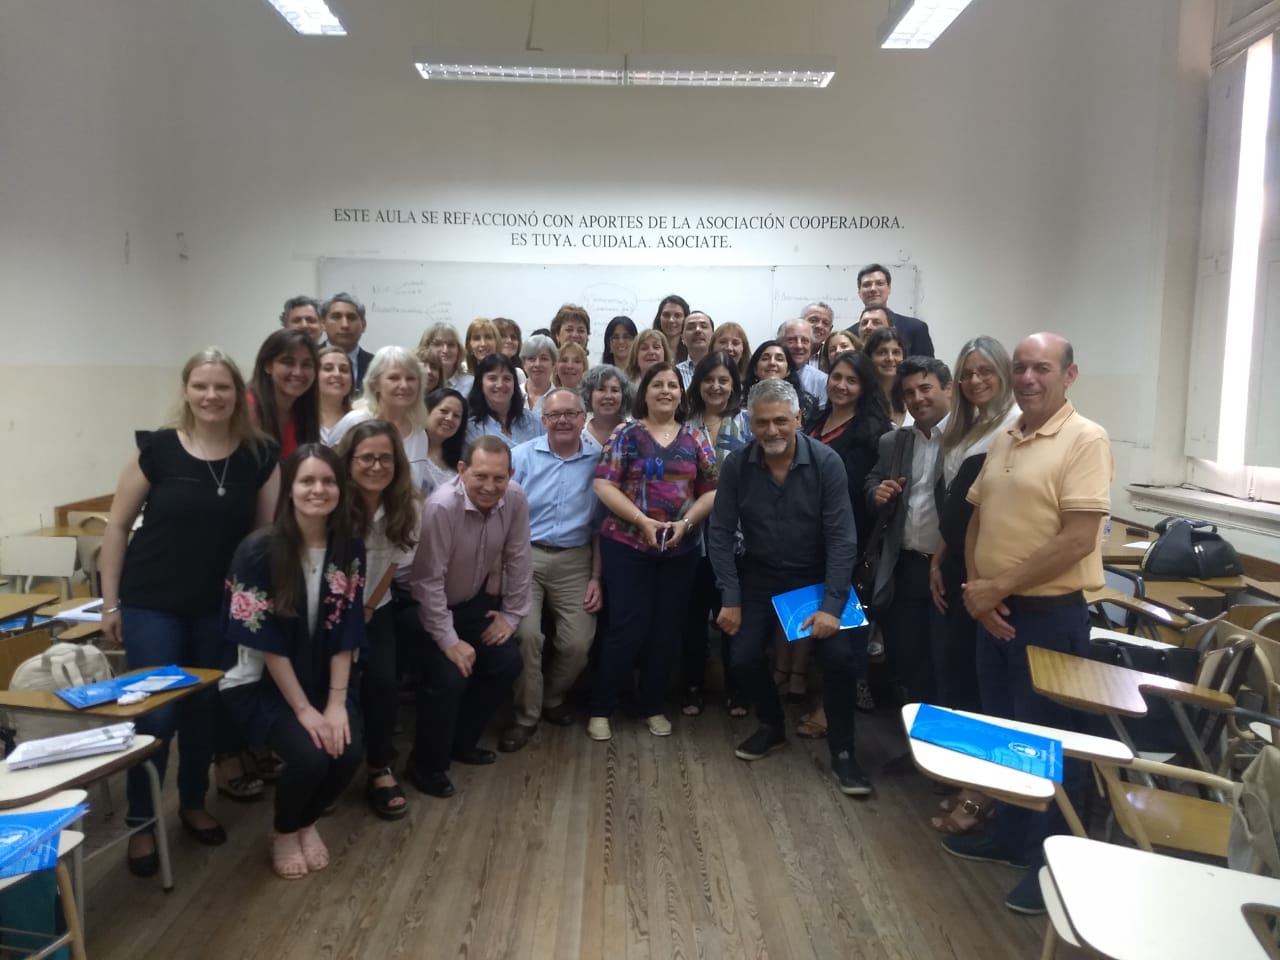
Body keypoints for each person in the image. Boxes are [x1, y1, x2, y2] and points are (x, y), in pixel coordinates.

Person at [943, 333, 1112, 916]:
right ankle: (1011, 837)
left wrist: (997, 588)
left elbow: (1078, 538)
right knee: (1004, 731)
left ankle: (1051, 866)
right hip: (994, 612)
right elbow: (977, 520)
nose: (1028, 378)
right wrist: (978, 592)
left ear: (1069, 375)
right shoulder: (1006, 436)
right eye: (1021, 367)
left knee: (1048, 742)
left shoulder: (1086, 439)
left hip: (1048, 617)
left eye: (1042, 367)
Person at [99, 348, 280, 876]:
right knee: (156, 713)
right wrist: (110, 603)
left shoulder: (260, 456)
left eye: (222, 387)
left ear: (237, 394)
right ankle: (141, 822)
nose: (211, 396)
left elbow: (262, 541)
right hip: (151, 602)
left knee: (204, 710)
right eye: (201, 386)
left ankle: (194, 803)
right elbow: (116, 528)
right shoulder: (157, 450)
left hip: (216, 609)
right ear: (186, 391)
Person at [708, 379, 869, 795]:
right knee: (742, 657)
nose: (772, 430)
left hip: (817, 575)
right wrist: (730, 596)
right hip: (760, 574)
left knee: (841, 659)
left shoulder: (827, 462)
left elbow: (842, 538)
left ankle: (844, 751)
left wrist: (832, 605)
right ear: (751, 424)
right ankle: (771, 725)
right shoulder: (737, 465)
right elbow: (720, 532)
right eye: (762, 422)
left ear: (798, 419)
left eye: (781, 420)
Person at [219, 444, 366, 880]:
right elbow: (267, 644)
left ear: (340, 489)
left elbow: (347, 630)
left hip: (321, 675)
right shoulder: (258, 550)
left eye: (328, 481)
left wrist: (336, 704)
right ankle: (285, 831)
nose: (318, 490)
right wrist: (304, 711)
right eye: (307, 481)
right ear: (290, 489)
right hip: (261, 681)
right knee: (310, 757)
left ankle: (306, 821)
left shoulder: (349, 548)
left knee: (348, 752)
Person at [588, 362, 718, 741]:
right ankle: (601, 708)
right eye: (657, 384)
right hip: (627, 544)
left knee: (666, 629)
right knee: (626, 627)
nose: (665, 391)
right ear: (644, 392)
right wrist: (642, 521)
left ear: (681, 394)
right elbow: (603, 485)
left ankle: (652, 705)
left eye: (672, 385)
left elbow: (712, 491)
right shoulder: (625, 434)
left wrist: (686, 524)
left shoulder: (696, 437)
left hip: (681, 548)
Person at [405, 436, 532, 799]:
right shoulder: (441, 506)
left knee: (507, 661)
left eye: (499, 478)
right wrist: (449, 641)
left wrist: (511, 615)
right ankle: (426, 765)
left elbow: (519, 557)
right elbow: (427, 582)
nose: (490, 486)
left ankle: (461, 742)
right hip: (423, 607)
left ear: (510, 474)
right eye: (480, 476)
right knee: (449, 675)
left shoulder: (516, 498)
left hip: (471, 602)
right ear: (462, 471)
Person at [928, 336, 1018, 835]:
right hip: (956, 564)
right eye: (968, 373)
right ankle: (967, 780)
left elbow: (992, 516)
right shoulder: (967, 428)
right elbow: (957, 510)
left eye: (986, 371)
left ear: (1004, 374)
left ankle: (982, 795)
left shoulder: (1012, 428)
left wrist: (979, 578)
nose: (976, 380)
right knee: (955, 675)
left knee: (984, 690)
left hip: (983, 575)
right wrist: (939, 558)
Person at [501, 389, 603, 751]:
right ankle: (526, 716)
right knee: (526, 636)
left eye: (571, 414)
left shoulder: (600, 461)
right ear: (543, 421)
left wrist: (596, 577)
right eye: (554, 415)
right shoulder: (520, 457)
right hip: (524, 556)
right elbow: (500, 514)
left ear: (583, 419)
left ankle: (551, 697)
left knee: (578, 642)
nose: (563, 421)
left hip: (576, 559)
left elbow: (600, 527)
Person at [798, 350, 892, 729]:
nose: (841, 385)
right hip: (809, 538)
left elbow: (859, 490)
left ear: (864, 386)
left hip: (846, 540)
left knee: (844, 628)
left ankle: (834, 709)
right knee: (817, 620)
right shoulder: (818, 419)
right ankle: (821, 695)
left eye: (851, 380)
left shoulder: (871, 431)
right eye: (836, 377)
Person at [335, 420, 420, 821]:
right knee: (333, 685)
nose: (376, 466)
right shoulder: (332, 501)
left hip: (375, 605)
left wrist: (367, 609)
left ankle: (379, 767)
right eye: (366, 457)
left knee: (384, 683)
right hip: (330, 610)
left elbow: (393, 563)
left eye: (385, 458)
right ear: (349, 461)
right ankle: (329, 769)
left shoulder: (408, 504)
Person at [865, 357, 953, 745]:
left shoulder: (967, 440)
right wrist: (876, 492)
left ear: (948, 389)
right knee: (910, 658)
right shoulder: (894, 440)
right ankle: (921, 748)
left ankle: (951, 752)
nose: (917, 398)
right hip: (904, 565)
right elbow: (871, 480)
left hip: (950, 569)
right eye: (909, 392)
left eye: (925, 388)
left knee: (947, 658)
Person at [680, 353, 751, 718]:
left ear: (734, 384)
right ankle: (692, 685)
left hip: (737, 537)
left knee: (731, 615)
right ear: (698, 384)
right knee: (692, 617)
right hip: (690, 535)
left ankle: (736, 688)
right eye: (709, 380)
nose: (716, 386)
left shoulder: (747, 422)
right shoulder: (682, 423)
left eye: (724, 380)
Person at [327, 346, 430, 492]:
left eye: (411, 378)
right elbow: (330, 471)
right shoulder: (355, 422)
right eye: (394, 378)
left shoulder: (419, 433)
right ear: (375, 384)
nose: (404, 385)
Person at [247, 328, 320, 459]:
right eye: (288, 362)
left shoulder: (304, 412)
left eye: (306, 365)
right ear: (268, 366)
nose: (298, 372)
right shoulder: (247, 408)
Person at [851, 264, 934, 358]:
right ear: (859, 292)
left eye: (879, 283)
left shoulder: (915, 329)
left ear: (889, 288)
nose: (873, 289)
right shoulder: (849, 335)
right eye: (867, 285)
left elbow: (928, 366)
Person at [465, 353, 543, 447]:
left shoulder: (534, 422)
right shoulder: (470, 429)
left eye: (507, 379)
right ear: (480, 383)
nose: (500, 385)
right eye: (492, 378)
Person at [744, 339, 817, 425]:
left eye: (779, 359)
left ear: (788, 370)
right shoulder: (741, 402)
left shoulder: (806, 403)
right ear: (755, 369)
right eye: (765, 358)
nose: (772, 363)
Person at [321, 292, 374, 392]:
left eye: (351, 317)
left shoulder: (376, 365)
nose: (344, 325)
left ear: (363, 325)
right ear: (323, 324)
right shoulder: (310, 359)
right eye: (336, 317)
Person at [422, 387, 468, 495]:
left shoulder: (461, 458)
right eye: (444, 411)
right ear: (427, 411)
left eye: (456, 416)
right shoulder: (410, 448)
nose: (449, 418)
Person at [862, 328, 909, 427]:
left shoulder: (912, 395)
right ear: (868, 357)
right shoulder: (859, 399)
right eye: (882, 352)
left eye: (896, 352)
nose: (890, 358)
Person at [581, 363, 633, 448]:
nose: (608, 396)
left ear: (624, 396)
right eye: (601, 389)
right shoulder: (579, 435)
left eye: (614, 390)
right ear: (588, 394)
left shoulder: (637, 432)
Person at [778, 318, 828, 406]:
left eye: (805, 341)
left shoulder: (822, 381)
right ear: (780, 343)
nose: (799, 346)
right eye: (792, 340)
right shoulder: (769, 373)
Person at [418, 323, 472, 395]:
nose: (445, 350)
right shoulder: (416, 382)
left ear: (459, 350)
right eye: (437, 344)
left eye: (451, 344)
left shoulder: (471, 384)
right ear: (426, 347)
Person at [317, 346, 354, 445]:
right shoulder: (298, 418)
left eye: (344, 370)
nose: (337, 374)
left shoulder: (360, 419)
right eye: (328, 369)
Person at [675, 310, 714, 386]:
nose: (697, 330)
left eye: (703, 326)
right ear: (682, 338)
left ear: (713, 335)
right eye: (690, 327)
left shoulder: (724, 369)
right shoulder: (674, 373)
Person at [520, 334, 558, 412]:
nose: (537, 364)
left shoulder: (560, 399)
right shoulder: (512, 394)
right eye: (532, 359)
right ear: (523, 364)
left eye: (544, 359)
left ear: (553, 364)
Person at [652, 294, 690, 362]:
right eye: (666, 315)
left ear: (686, 319)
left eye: (677, 315)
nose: (671, 320)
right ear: (659, 318)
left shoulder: (692, 351)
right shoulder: (649, 350)